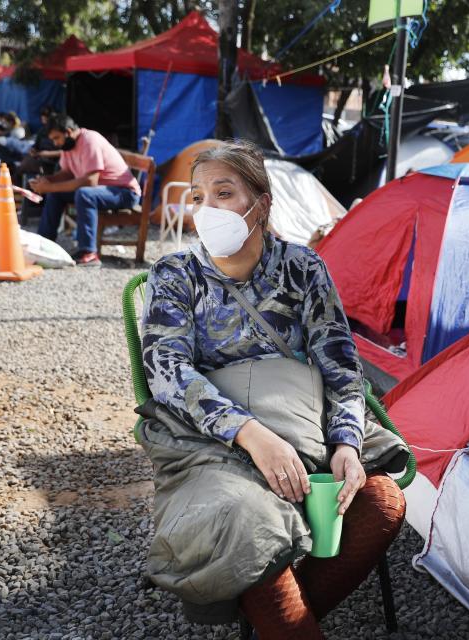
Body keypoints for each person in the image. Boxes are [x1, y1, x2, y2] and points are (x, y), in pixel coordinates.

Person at [139, 140, 406, 639]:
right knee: (250, 522)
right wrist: (251, 435)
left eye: (224, 193)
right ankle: (280, 610)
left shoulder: (303, 269)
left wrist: (347, 442)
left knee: (380, 501)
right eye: (198, 197)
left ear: (261, 203)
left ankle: (276, 610)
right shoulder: (175, 275)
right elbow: (168, 370)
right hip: (210, 437)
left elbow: (341, 364)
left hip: (308, 424)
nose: (207, 209)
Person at [30, 115, 140, 267]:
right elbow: (67, 173)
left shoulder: (90, 140)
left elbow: (90, 181)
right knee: (56, 194)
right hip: (101, 190)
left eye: (57, 138)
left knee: (84, 194)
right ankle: (43, 244)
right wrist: (48, 180)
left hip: (124, 192)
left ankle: (89, 253)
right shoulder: (68, 145)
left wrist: (49, 187)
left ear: (68, 132)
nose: (55, 143)